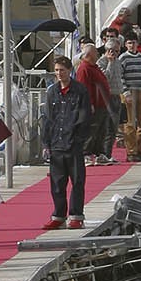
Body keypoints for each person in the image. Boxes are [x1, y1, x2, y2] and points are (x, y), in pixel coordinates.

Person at [41, 56, 91, 230]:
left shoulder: (80, 91)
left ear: (69, 70)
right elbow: (47, 117)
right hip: (56, 143)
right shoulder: (52, 92)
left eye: (62, 70)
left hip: (73, 144)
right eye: (56, 70)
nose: (59, 73)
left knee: (77, 181)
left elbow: (85, 117)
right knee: (57, 182)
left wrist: (78, 138)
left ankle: (76, 215)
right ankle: (59, 215)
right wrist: (46, 142)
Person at [76, 42, 114, 165]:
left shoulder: (94, 67)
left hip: (102, 104)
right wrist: (89, 103)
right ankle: (85, 154)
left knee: (101, 131)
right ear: (90, 54)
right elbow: (84, 88)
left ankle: (99, 154)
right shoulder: (84, 68)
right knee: (91, 130)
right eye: (95, 52)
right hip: (94, 105)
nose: (98, 54)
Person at [119, 34, 141, 161]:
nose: (132, 46)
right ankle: (131, 152)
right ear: (126, 45)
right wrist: (126, 93)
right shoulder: (123, 58)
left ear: (137, 43)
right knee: (130, 123)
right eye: (129, 43)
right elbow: (120, 77)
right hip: (129, 91)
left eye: (133, 43)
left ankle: (139, 149)